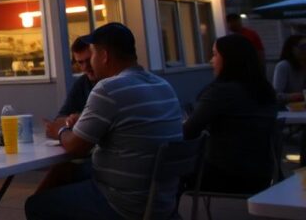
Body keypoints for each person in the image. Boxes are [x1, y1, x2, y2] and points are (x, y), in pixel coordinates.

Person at [29, 23, 184, 220]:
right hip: (161, 200)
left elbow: (77, 148)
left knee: (36, 205)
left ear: (104, 56)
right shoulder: (163, 85)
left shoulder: (109, 88)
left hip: (123, 204)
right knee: (64, 170)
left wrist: (60, 131)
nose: (89, 64)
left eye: (92, 55)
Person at [184, 34, 278, 193]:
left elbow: (188, 131)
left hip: (225, 174)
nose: (211, 61)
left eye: (214, 54)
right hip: (262, 174)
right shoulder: (264, 90)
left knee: (164, 172)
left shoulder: (222, 92)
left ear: (229, 59)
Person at [44, 37, 98, 137]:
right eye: (80, 62)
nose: (85, 67)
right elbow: (59, 120)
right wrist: (72, 121)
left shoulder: (110, 85)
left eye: (89, 60)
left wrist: (80, 120)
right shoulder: (82, 83)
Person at [272, 34, 306, 105]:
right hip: (287, 109)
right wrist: (299, 95)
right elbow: (276, 95)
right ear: (292, 49)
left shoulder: (303, 66)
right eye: (303, 47)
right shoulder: (283, 66)